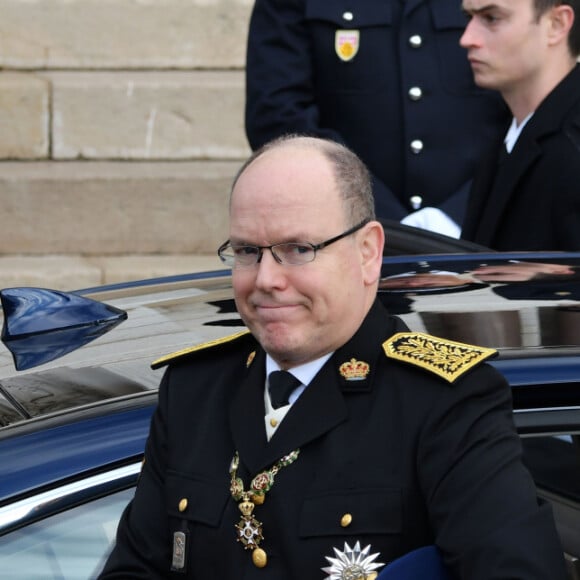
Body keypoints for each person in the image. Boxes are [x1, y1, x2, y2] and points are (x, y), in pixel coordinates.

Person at [98, 135, 567, 579]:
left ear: (368, 252)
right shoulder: (195, 389)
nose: (266, 279)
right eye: (247, 251)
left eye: (297, 249)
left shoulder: (445, 404)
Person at [244, 0, 509, 236]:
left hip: (481, 233)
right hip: (343, 236)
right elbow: (277, 116)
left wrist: (456, 215)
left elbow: (529, 105)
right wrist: (370, 212)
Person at [460, 0, 580, 250]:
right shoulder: (510, 134)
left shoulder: (572, 145)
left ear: (556, 25)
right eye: (469, 17)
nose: (467, 38)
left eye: (492, 18)